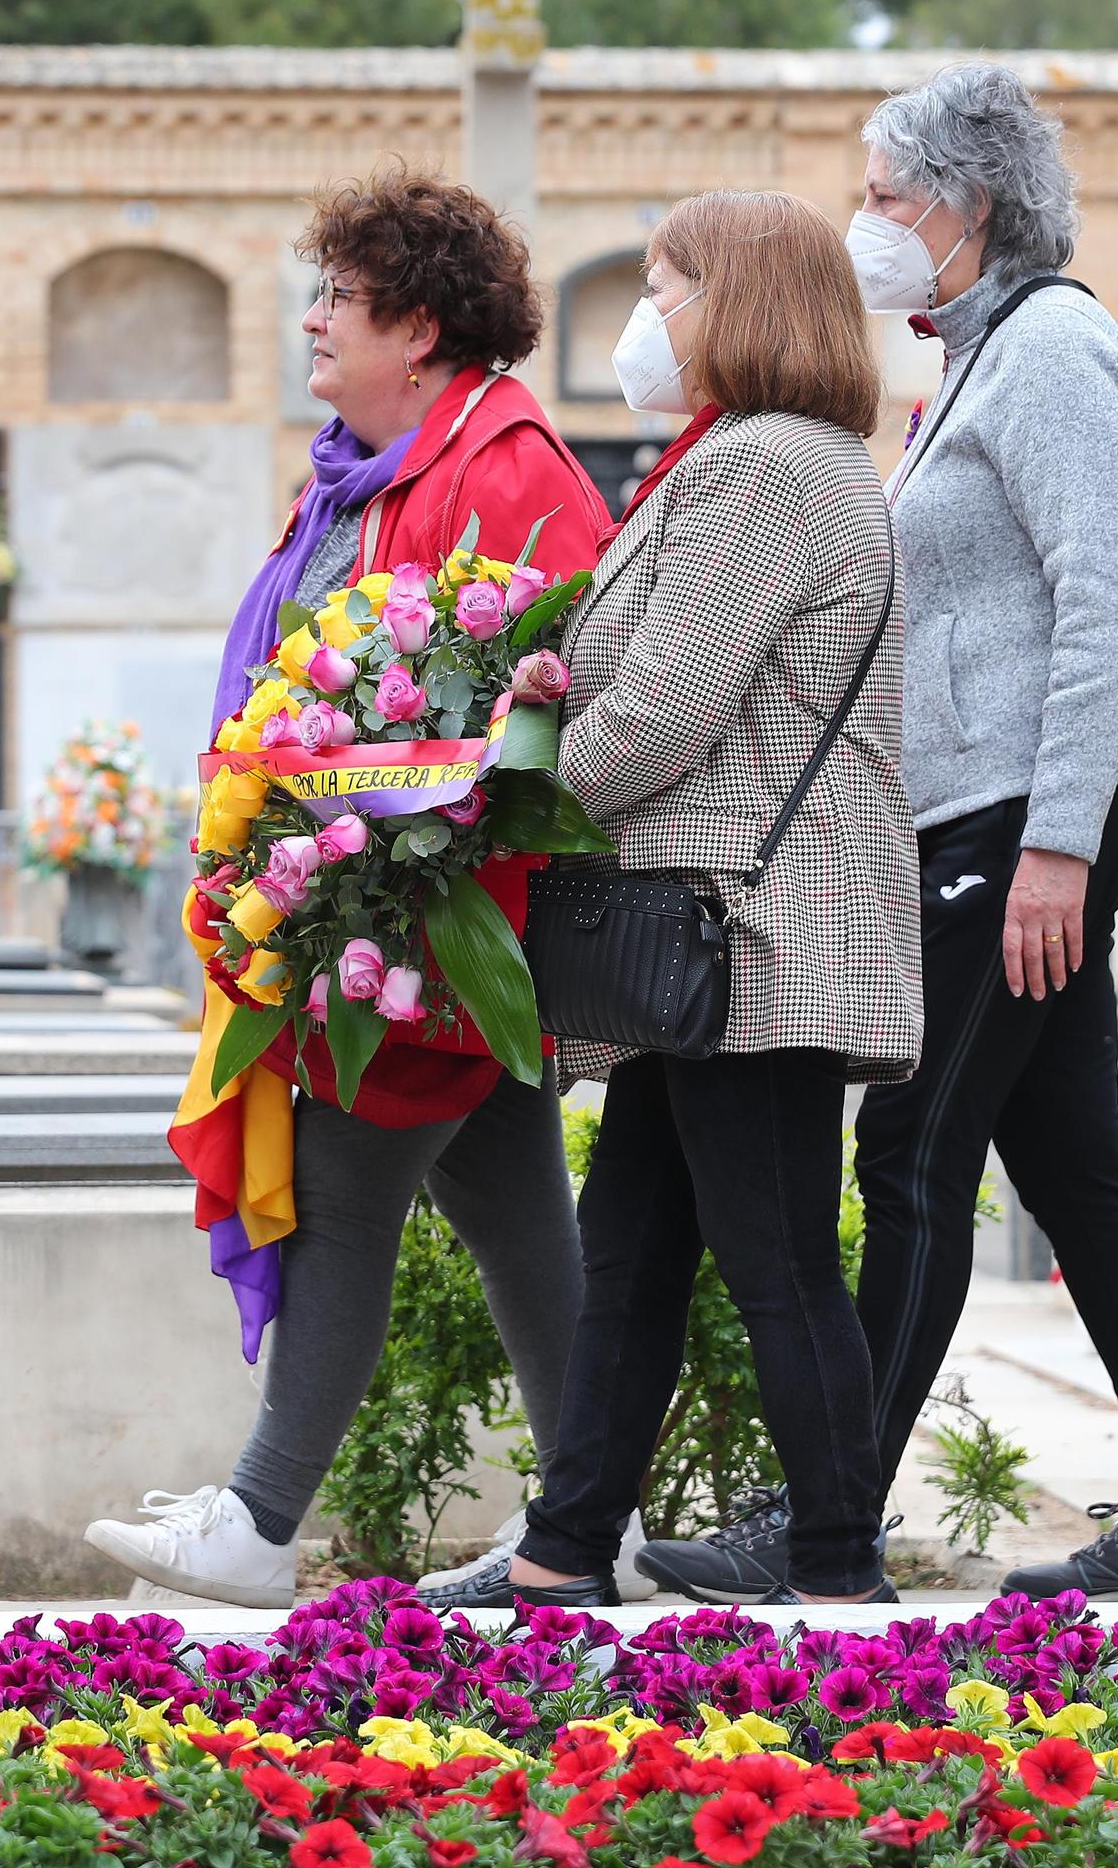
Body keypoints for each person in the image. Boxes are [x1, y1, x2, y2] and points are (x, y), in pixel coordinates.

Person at [635, 63, 1118, 1606]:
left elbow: (1101, 601)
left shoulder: (1051, 348)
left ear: (967, 205)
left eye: (881, 193)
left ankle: (824, 1517)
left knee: (912, 1149)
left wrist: (1051, 847)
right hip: (997, 810)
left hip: (1029, 816)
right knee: (1071, 1164)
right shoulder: (975, 362)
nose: (864, 221)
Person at [84, 168, 656, 1606]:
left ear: (419, 326)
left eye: (336, 296)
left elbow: (548, 697)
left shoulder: (509, 464)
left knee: (337, 1199)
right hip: (375, 909)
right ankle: (600, 1526)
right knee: (522, 1216)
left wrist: (376, 850)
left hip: (424, 920)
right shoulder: (353, 464)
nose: (311, 321)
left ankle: (259, 1527)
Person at [424, 188, 923, 1610]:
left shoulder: (768, 466)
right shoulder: (752, 461)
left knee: (776, 1266)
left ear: (745, 299)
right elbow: (659, 673)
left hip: (750, 936)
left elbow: (668, 714)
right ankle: (566, 1548)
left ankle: (837, 1564)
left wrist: (489, 811)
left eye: (667, 285)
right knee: (631, 1253)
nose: (650, 316)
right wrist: (553, 680)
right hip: (702, 932)